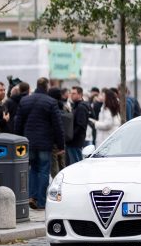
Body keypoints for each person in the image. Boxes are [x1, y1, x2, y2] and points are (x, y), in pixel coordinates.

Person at [13, 77, 64, 210]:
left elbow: (18, 122)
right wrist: (61, 145)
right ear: (46, 86)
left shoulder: (25, 100)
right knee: (43, 170)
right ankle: (41, 201)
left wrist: (17, 140)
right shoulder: (51, 102)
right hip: (45, 142)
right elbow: (58, 125)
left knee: (33, 169)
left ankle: (32, 196)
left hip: (28, 141)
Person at [66, 87, 89, 165]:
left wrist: (71, 135)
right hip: (74, 141)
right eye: (71, 93)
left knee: (76, 163)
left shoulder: (81, 107)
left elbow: (81, 125)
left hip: (75, 141)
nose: (71, 95)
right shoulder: (76, 106)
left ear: (80, 95)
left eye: (74, 93)